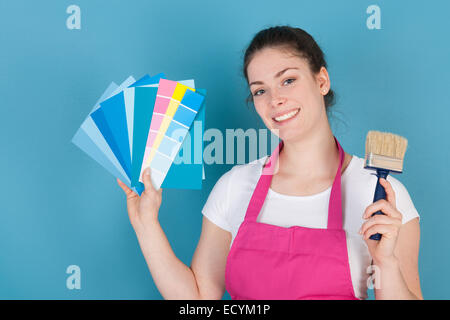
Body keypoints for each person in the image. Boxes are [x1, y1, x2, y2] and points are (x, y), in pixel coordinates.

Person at [117, 26, 423, 300]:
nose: (274, 99)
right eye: (260, 90)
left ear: (322, 81)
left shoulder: (380, 196)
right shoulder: (234, 186)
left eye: (288, 80)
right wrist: (146, 225)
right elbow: (199, 301)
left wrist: (385, 263)